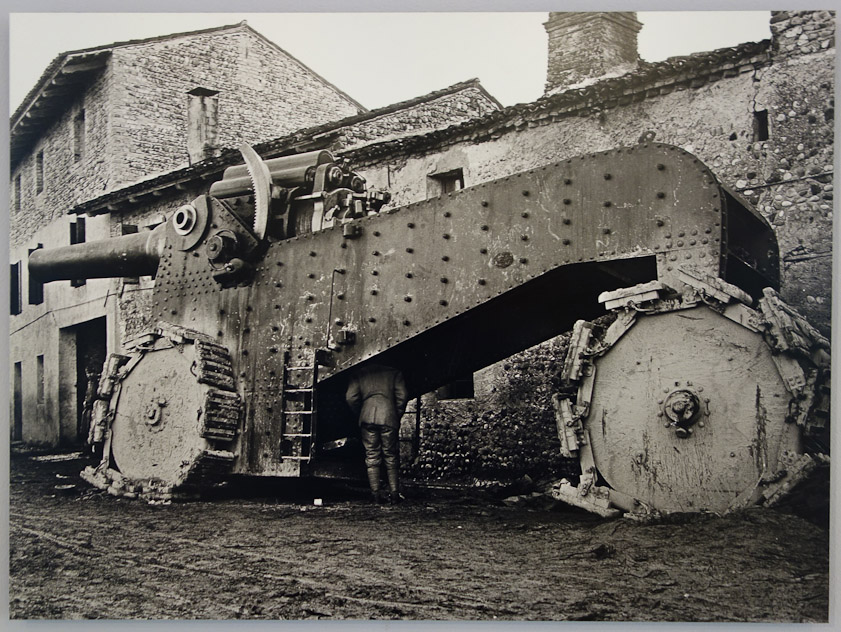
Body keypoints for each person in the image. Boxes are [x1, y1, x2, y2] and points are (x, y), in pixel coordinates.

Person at [345, 363, 408, 504]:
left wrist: (361, 412)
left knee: (371, 454)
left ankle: (375, 495)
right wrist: (395, 414)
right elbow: (402, 396)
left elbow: (350, 397)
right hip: (388, 416)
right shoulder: (394, 372)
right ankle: (394, 494)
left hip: (366, 417)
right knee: (390, 454)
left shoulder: (359, 373)